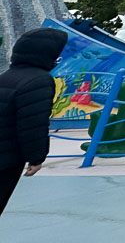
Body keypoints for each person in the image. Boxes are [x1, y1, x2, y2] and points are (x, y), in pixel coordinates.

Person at [0, 28, 68, 215]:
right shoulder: (39, 80)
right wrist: (37, 157)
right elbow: (32, 124)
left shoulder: (7, 76)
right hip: (7, 158)